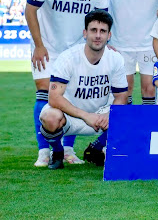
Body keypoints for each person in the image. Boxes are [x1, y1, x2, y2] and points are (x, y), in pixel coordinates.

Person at [26, 0, 109, 167]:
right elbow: (30, 9)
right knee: (44, 91)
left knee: (70, 95)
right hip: (48, 45)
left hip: (76, 48)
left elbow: (99, 19)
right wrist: (39, 45)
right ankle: (45, 150)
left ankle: (68, 149)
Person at [38, 10, 127, 169]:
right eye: (93, 30)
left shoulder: (115, 59)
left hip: (101, 115)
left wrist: (108, 114)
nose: (98, 35)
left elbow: (121, 96)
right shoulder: (68, 57)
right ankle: (58, 151)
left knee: (127, 113)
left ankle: (99, 147)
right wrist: (86, 116)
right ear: (85, 33)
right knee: (49, 117)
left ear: (109, 35)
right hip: (71, 114)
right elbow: (54, 98)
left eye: (103, 31)